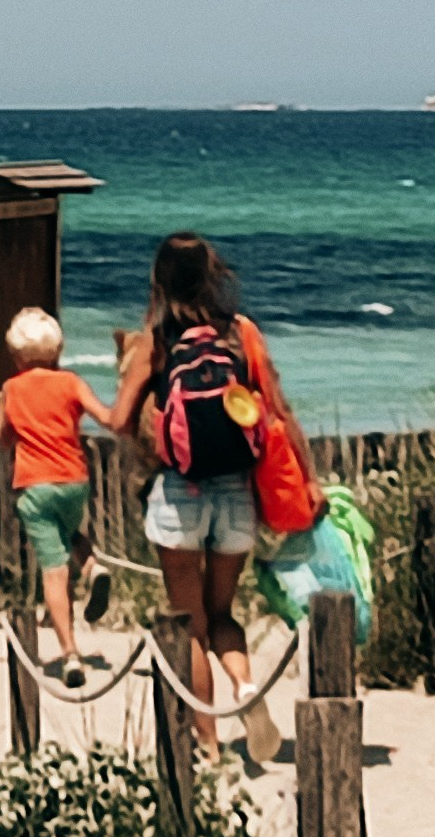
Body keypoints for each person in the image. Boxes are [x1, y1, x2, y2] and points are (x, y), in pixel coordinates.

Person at [109, 232, 316, 759]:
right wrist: (309, 481)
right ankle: (245, 690)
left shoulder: (158, 342)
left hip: (180, 494)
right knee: (223, 615)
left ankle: (208, 743)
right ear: (214, 275)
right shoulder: (242, 333)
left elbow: (118, 422)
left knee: (190, 624)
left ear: (159, 281)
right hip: (237, 495)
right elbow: (280, 413)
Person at [0, 306, 114, 686]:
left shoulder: (13, 389)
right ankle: (93, 567)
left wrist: (0, 407)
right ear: (57, 352)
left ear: (17, 355)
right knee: (71, 532)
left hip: (35, 484)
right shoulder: (71, 383)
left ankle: (69, 653)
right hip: (74, 479)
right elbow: (106, 419)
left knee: (53, 571)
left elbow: (3, 438)